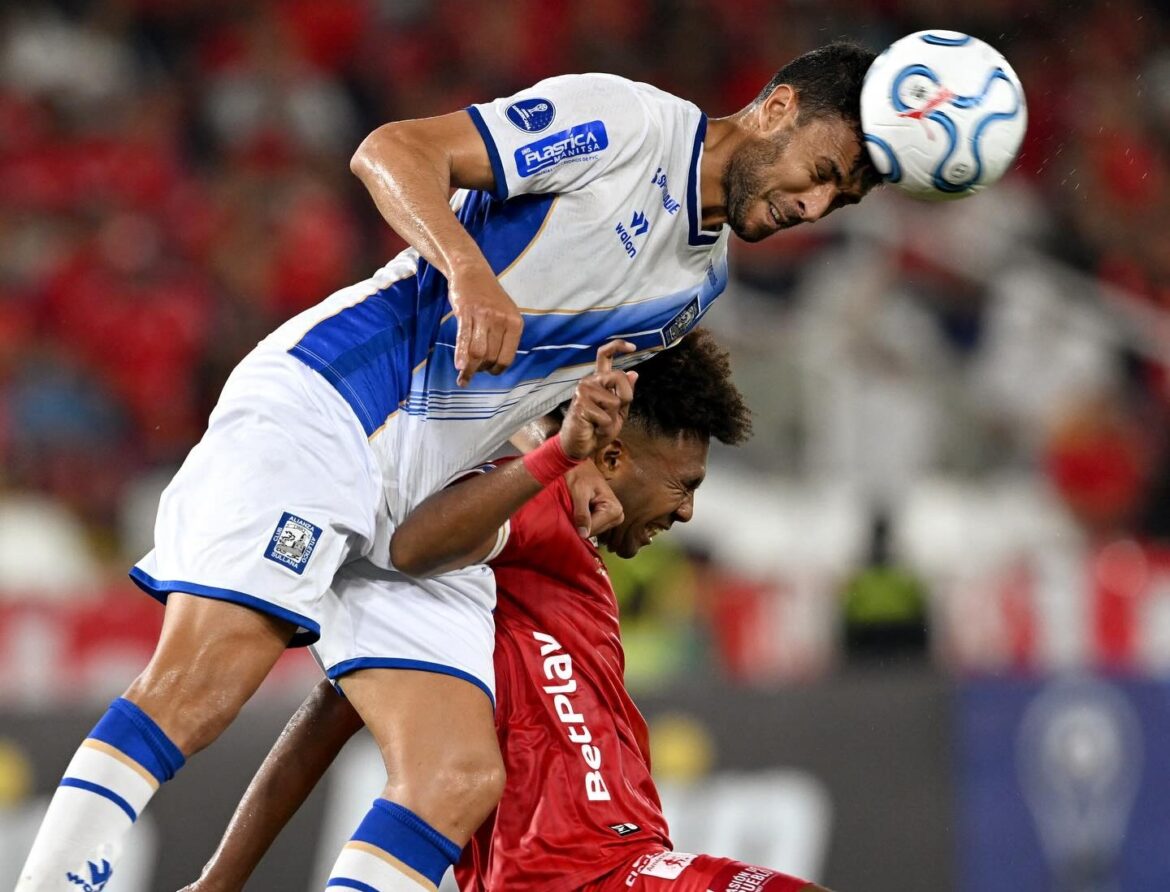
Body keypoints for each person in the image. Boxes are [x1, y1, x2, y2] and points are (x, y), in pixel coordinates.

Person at [18, 41, 879, 892]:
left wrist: (564, 453)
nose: (812, 203)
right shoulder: (628, 125)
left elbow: (545, 384)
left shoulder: (698, 287)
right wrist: (468, 270)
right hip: (338, 406)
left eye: (837, 198)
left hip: (429, 493)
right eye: (821, 169)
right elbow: (392, 150)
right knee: (203, 682)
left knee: (456, 780)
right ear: (776, 110)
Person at [180, 330, 825, 892]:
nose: (686, 510)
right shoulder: (532, 513)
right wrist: (552, 460)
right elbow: (416, 544)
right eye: (685, 484)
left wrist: (221, 878)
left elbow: (329, 710)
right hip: (595, 873)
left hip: (612, 861)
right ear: (612, 456)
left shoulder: (532, 564)